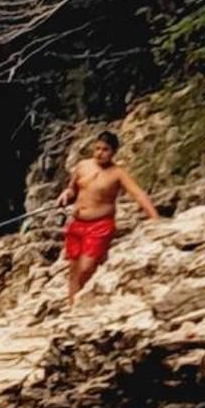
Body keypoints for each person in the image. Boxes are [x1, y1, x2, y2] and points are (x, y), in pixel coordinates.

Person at [56, 130, 158, 306]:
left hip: (100, 226)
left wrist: (154, 218)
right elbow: (72, 189)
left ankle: (85, 300)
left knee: (86, 268)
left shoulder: (118, 174)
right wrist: (66, 194)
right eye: (97, 148)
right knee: (73, 269)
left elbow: (138, 194)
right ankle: (73, 307)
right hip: (77, 223)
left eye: (105, 149)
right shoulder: (83, 166)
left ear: (113, 152)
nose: (99, 153)